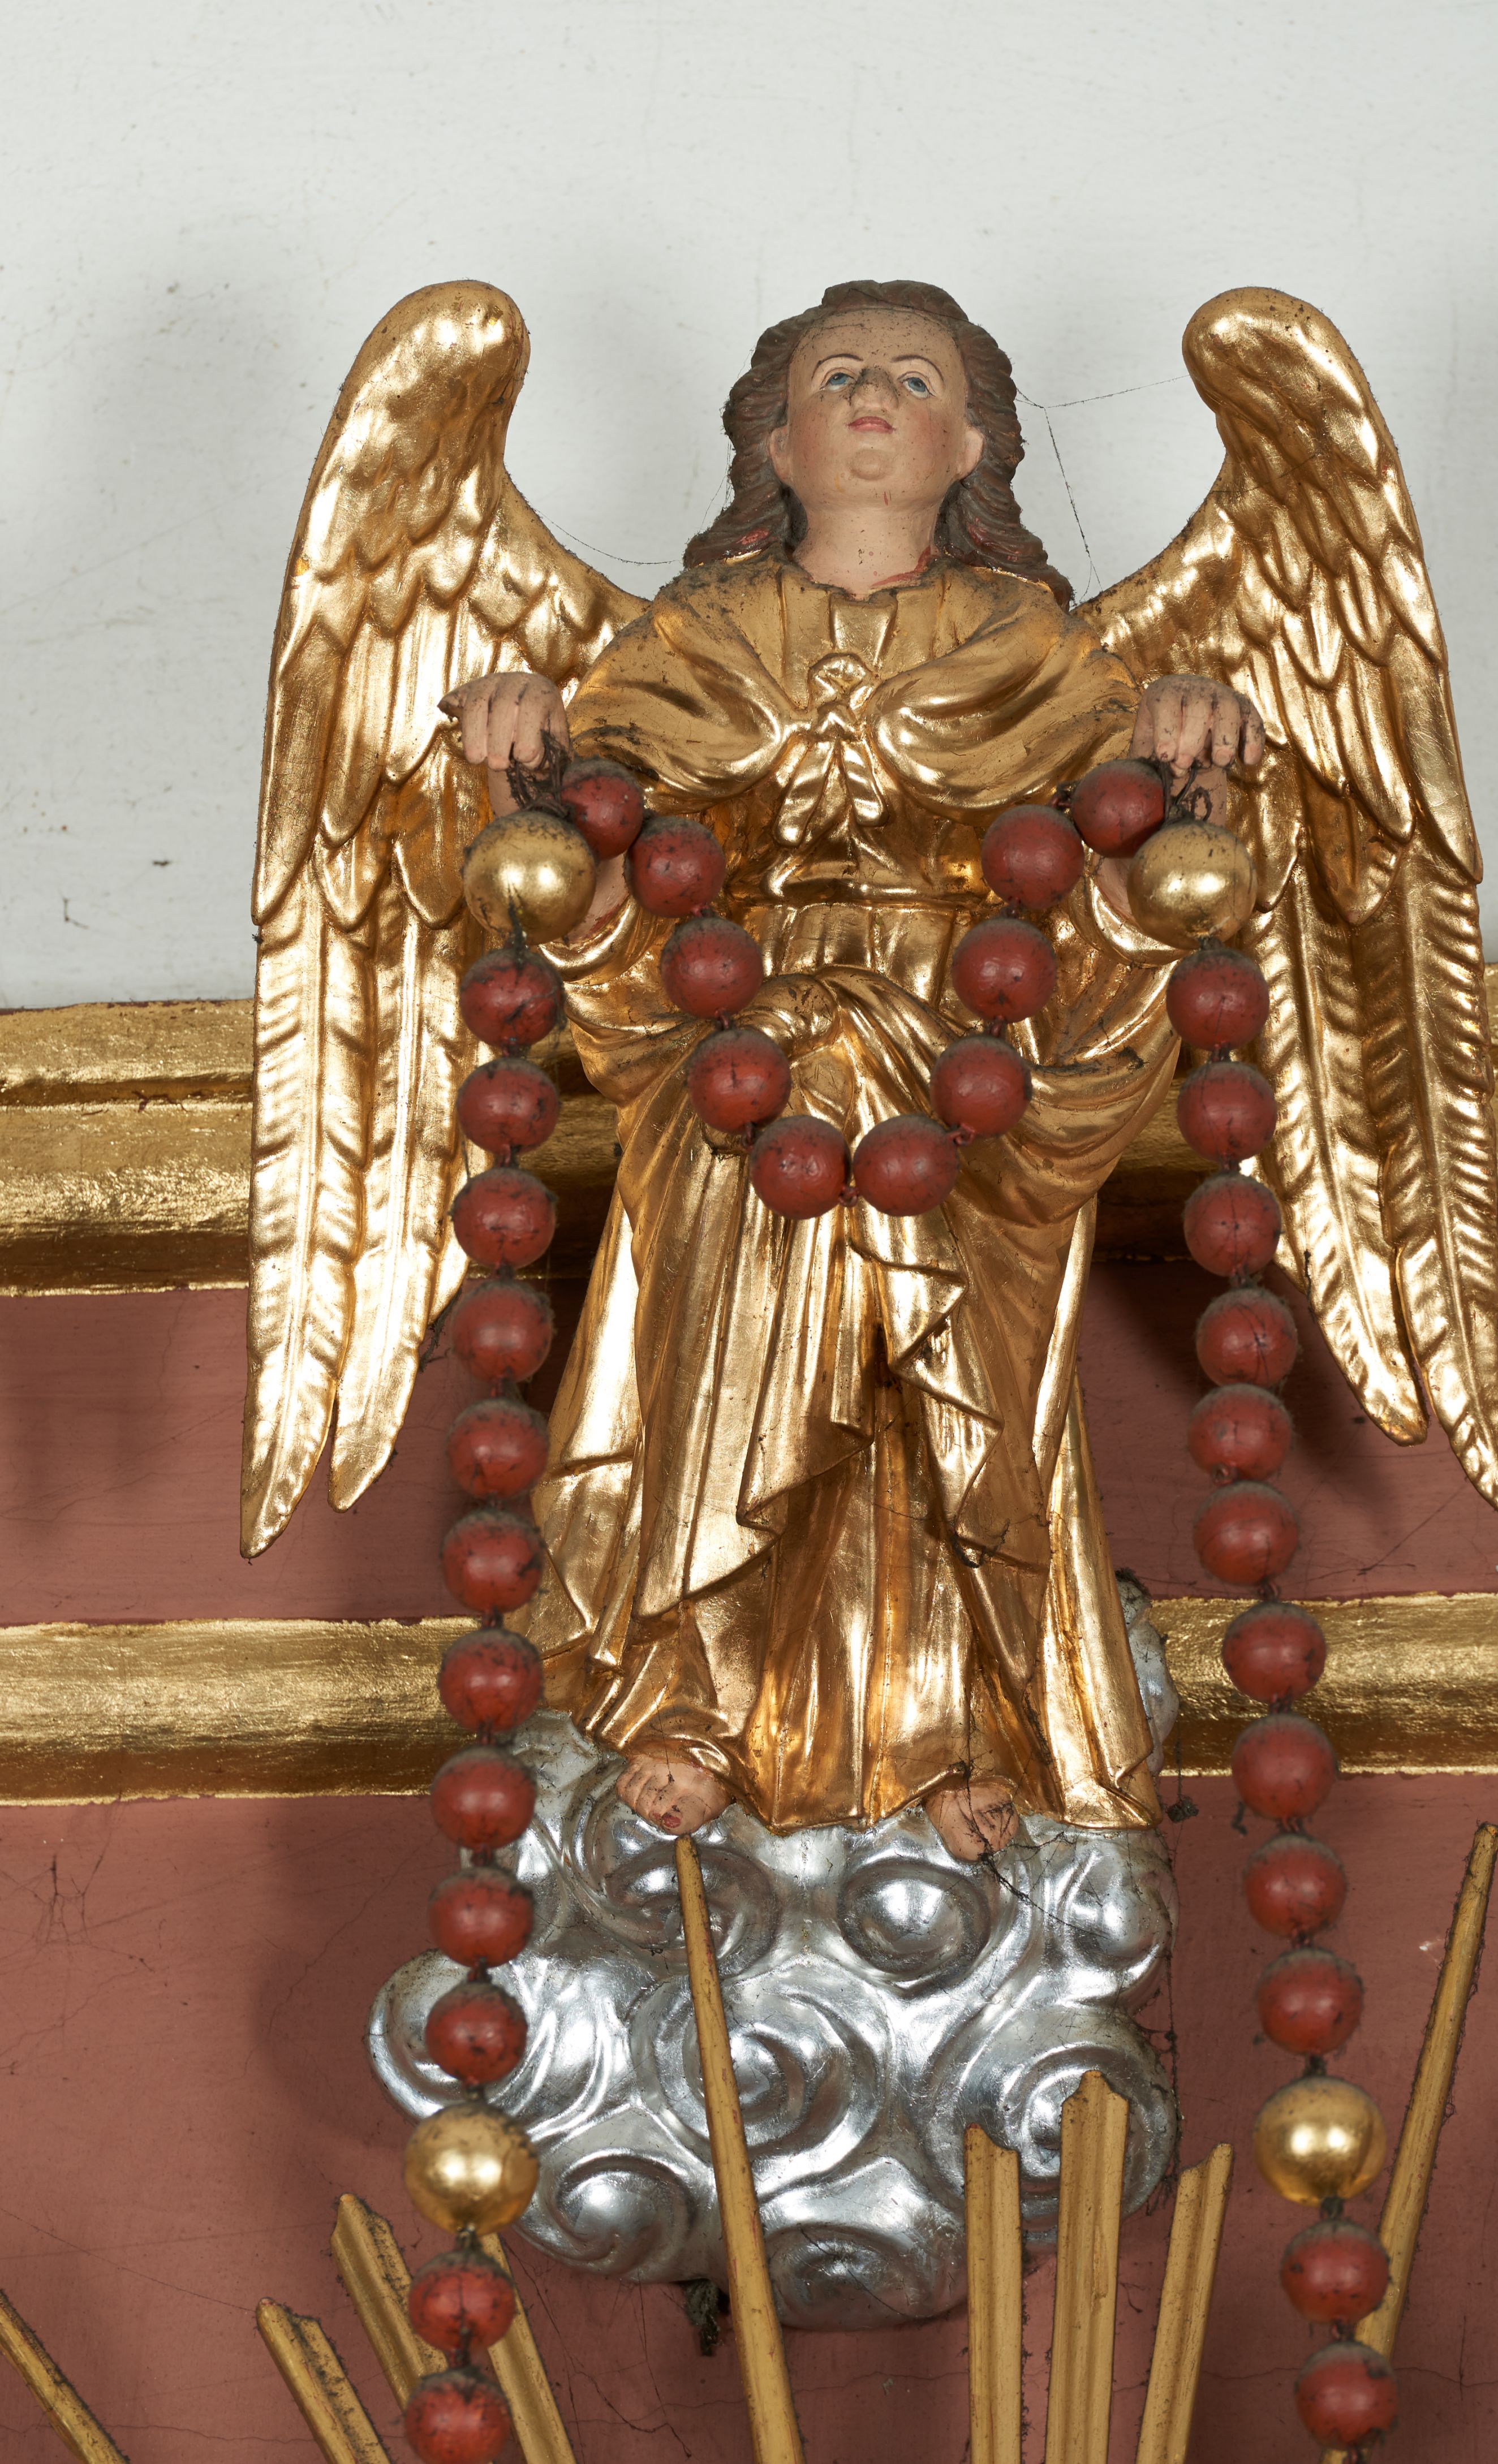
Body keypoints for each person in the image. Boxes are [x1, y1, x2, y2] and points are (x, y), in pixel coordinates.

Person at [444, 281, 1262, 1862]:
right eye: (837, 376)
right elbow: (584, 856)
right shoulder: (681, 645)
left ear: (972, 446)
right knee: (725, 1347)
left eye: (914, 378)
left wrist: (1191, 745)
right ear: (774, 441)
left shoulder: (1046, 653)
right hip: (730, 1053)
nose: (875, 395)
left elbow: (1142, 857)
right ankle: (693, 1691)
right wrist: (523, 751)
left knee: (942, 1377)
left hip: (972, 1058)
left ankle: (957, 1718)